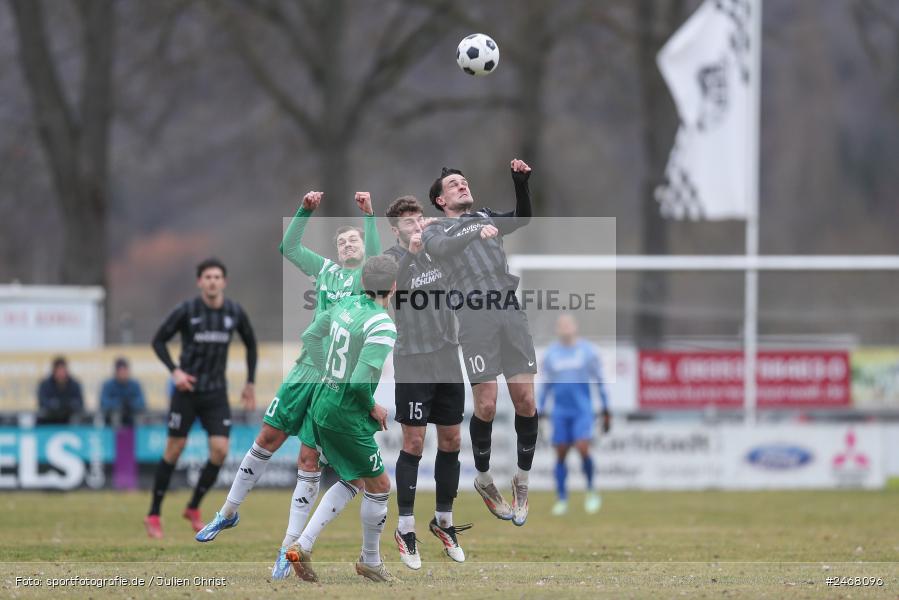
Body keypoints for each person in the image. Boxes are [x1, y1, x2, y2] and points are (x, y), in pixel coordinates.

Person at [195, 191, 381, 581]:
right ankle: (227, 513)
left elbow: (376, 253)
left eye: (355, 241)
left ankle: (287, 548)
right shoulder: (328, 271)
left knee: (308, 462)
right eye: (342, 240)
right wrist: (305, 211)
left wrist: (368, 217)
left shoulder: (370, 276)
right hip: (308, 369)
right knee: (267, 437)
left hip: (337, 378)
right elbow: (289, 246)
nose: (348, 244)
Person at [420, 159, 537, 527]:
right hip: (473, 317)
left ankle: (522, 480)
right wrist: (476, 230)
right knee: (485, 405)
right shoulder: (433, 228)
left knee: (526, 401)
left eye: (464, 181)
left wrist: (520, 184)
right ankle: (485, 479)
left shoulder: (485, 216)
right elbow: (441, 250)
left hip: (508, 309)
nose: (462, 185)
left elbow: (523, 218)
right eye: (453, 184)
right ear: (440, 200)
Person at [285, 255, 398, 583]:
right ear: (393, 287)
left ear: (362, 282)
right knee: (380, 485)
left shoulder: (345, 305)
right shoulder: (381, 324)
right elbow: (360, 381)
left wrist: (325, 372)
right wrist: (373, 407)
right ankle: (370, 561)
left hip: (322, 403)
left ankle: (303, 544)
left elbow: (309, 337)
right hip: (345, 414)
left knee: (356, 478)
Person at [384, 196, 469, 569]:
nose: (415, 225)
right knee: (414, 441)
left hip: (447, 354)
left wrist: (445, 227)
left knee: (451, 439)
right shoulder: (390, 258)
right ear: (395, 229)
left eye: (418, 219)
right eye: (407, 222)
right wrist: (411, 253)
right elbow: (388, 294)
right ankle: (405, 528)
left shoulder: (436, 250)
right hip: (412, 358)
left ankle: (444, 521)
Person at [144, 258, 258, 539]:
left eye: (217, 277)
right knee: (174, 448)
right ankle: (154, 513)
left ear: (224, 282)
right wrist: (175, 372)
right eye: (207, 277)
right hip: (187, 392)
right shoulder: (187, 310)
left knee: (220, 450)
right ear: (200, 282)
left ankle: (193, 507)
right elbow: (158, 341)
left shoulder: (233, 312)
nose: (212, 281)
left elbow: (251, 344)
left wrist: (250, 383)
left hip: (216, 392)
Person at [538, 314, 611, 516]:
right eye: (561, 325)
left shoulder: (587, 351)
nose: (565, 328)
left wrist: (606, 409)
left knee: (582, 447)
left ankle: (591, 491)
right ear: (557, 329)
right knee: (560, 452)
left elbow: (600, 380)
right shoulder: (551, 354)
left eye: (568, 324)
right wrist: (540, 410)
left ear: (575, 327)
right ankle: (561, 499)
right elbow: (545, 385)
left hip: (582, 410)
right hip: (560, 412)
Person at [99, 357, 146, 426]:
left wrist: (130, 404)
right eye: (120, 371)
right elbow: (103, 402)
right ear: (116, 372)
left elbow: (141, 401)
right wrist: (119, 403)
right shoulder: (108, 385)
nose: (123, 374)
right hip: (112, 420)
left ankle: (137, 434)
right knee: (115, 414)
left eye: (125, 371)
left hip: (131, 417)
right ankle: (116, 435)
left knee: (139, 414)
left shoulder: (135, 385)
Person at [36, 356, 84, 424]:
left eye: (63, 370)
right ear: (54, 371)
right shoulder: (45, 385)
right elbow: (43, 403)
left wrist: (67, 405)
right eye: (59, 370)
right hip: (50, 419)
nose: (61, 373)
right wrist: (55, 405)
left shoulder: (74, 384)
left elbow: (80, 403)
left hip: (70, 419)